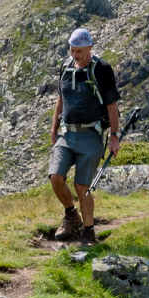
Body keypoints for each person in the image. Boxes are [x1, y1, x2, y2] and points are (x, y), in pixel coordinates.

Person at [48, 27, 121, 242]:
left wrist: (114, 136)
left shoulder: (102, 69)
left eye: (79, 51)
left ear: (89, 47)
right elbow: (60, 100)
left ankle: (89, 232)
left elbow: (112, 105)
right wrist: (54, 129)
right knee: (55, 177)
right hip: (66, 133)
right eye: (72, 50)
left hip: (91, 133)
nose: (75, 55)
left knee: (82, 186)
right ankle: (71, 215)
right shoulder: (65, 67)